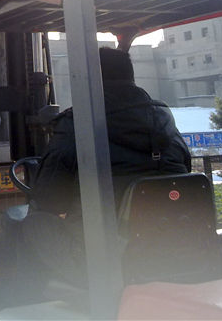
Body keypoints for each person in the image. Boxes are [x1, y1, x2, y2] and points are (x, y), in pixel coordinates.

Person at [23, 47, 192, 288]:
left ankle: (17, 298)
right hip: (171, 245)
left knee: (34, 223)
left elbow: (49, 198)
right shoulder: (166, 124)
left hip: (106, 255)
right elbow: (184, 172)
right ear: (131, 76)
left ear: (85, 79)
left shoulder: (77, 125)